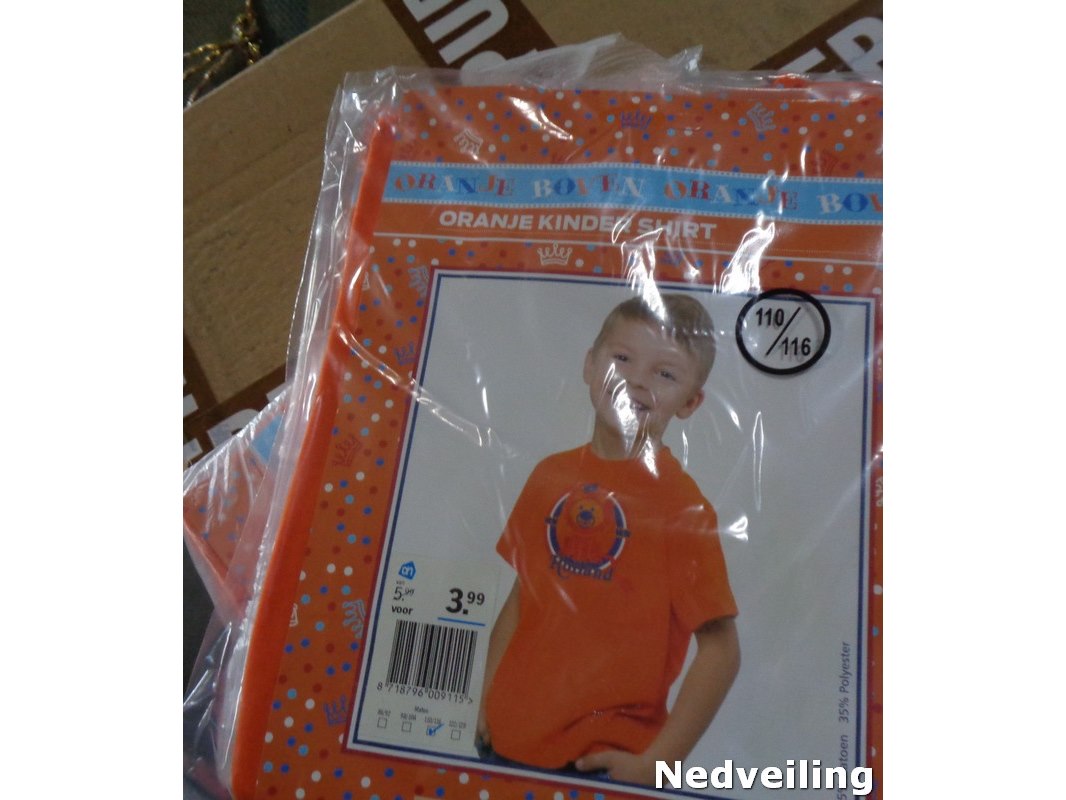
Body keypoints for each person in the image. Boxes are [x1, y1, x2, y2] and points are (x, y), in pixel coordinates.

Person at [476, 292, 740, 786]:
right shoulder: (549, 477)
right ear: (590, 364)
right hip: (504, 744)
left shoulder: (681, 507)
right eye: (623, 358)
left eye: (665, 373)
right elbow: (522, 597)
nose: (637, 380)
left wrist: (657, 763)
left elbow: (721, 652)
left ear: (691, 402)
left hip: (604, 764)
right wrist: (485, 701)